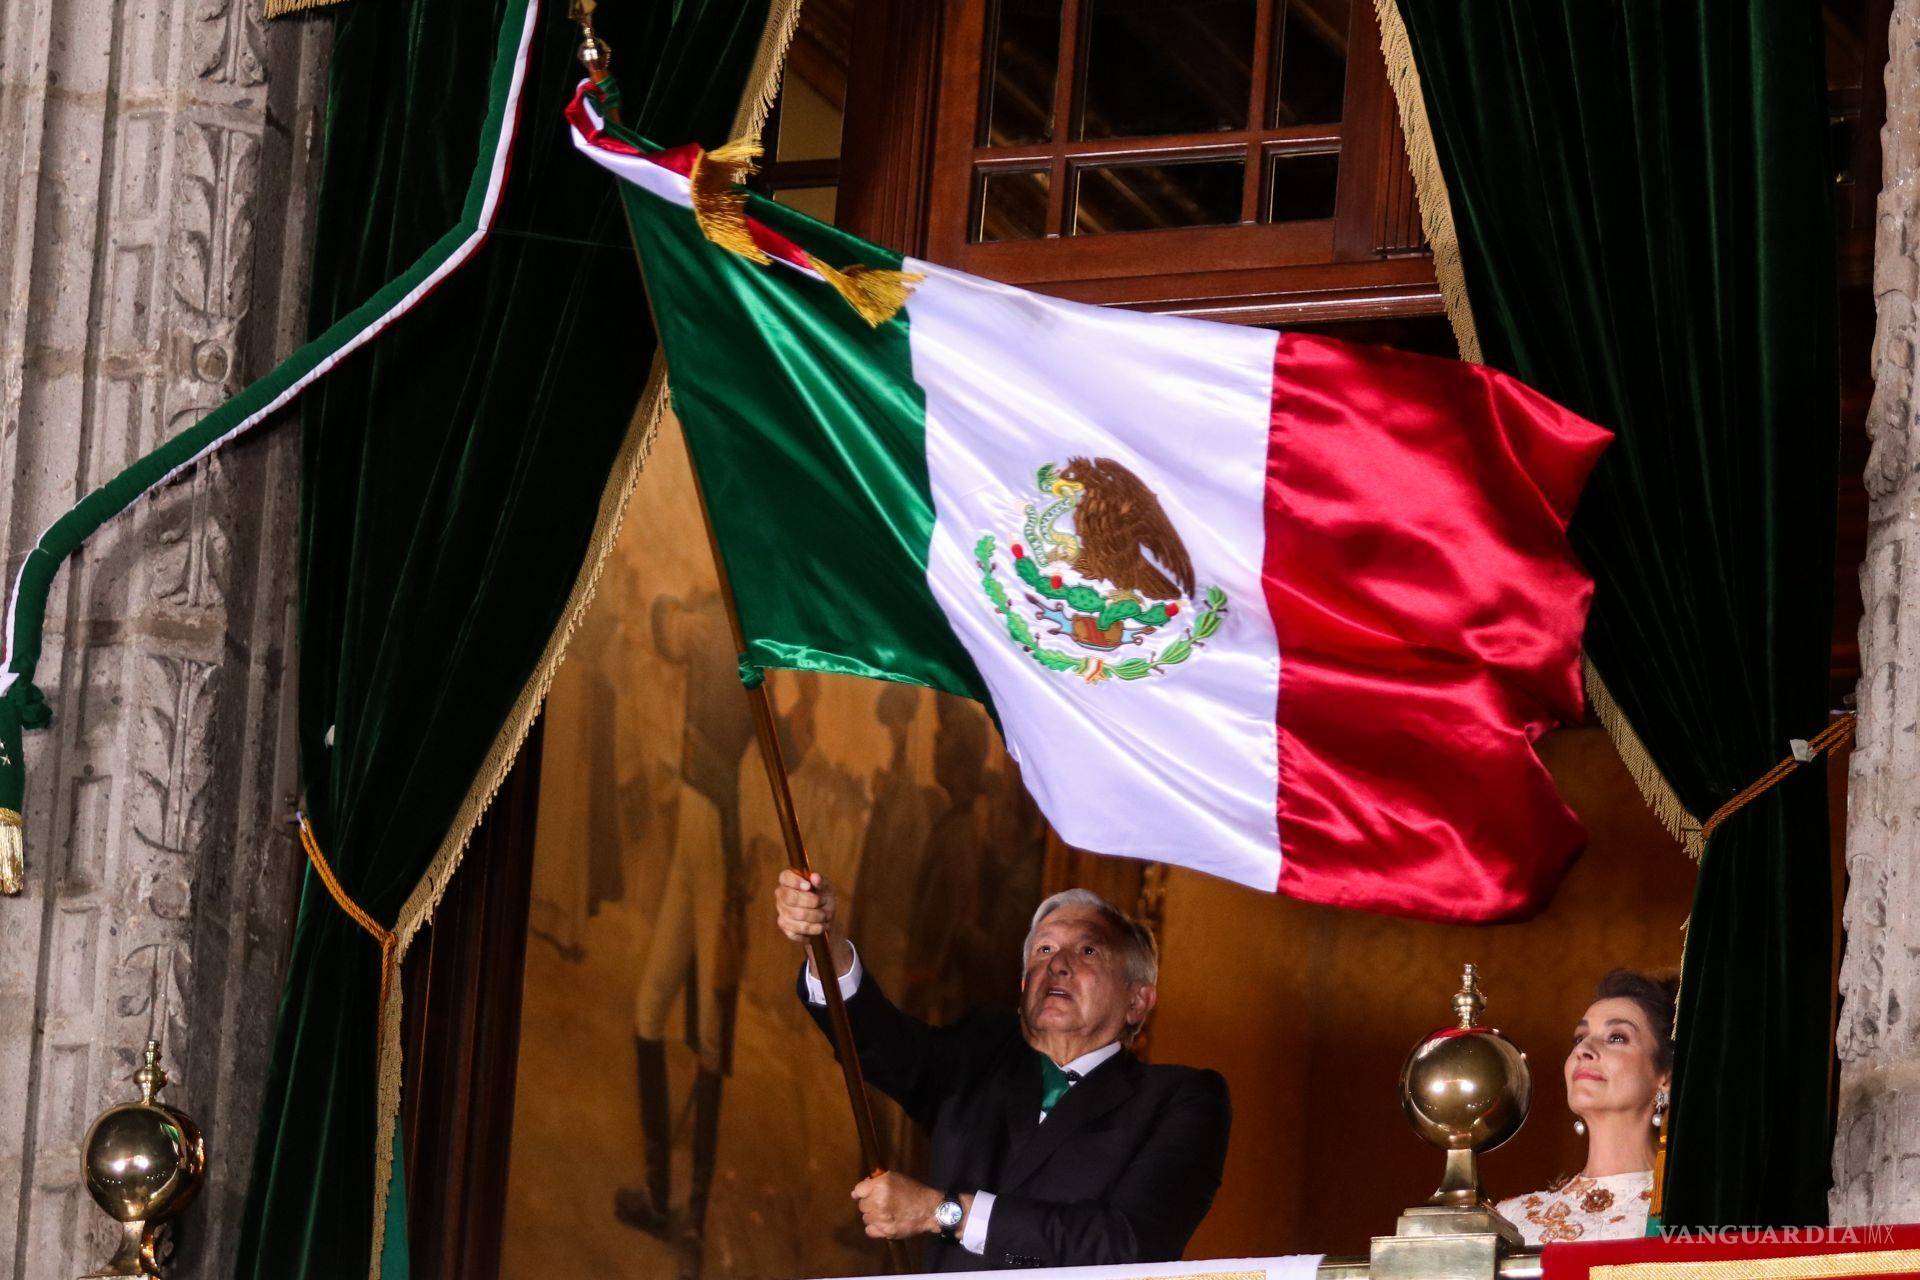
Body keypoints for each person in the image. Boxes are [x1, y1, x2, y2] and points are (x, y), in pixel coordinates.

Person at [774, 871, 1231, 1271]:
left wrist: (945, 1212)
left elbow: (1128, 1245)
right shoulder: (978, 1057)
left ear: (1137, 1001)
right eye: (1045, 949)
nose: (1058, 964)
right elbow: (879, 1042)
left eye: (1088, 950)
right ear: (1023, 985)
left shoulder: (1181, 1099)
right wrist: (826, 945)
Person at [1495, 969, 1678, 1245]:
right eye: (1580, 1038)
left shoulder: (1691, 1216)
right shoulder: (1512, 1222)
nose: (1584, 1049)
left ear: (1665, 1077)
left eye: (1617, 1037)